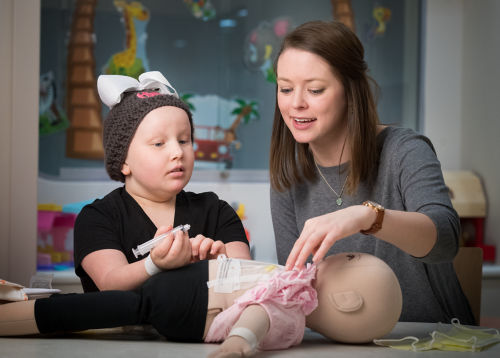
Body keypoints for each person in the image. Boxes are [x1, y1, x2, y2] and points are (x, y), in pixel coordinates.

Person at [269, 20, 475, 324]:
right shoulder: (290, 176)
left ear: (350, 92)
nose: (296, 103)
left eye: (314, 89)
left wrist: (369, 217)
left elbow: (445, 239)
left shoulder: (404, 150)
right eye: (285, 89)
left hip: (431, 338)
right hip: (341, 341)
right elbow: (297, 284)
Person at [0, 252, 402, 357]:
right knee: (107, 312)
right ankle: (18, 302)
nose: (346, 253)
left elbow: (257, 316)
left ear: (348, 302)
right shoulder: (296, 283)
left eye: (352, 259)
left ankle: (14, 316)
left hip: (185, 302)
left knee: (100, 309)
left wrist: (240, 342)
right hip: (185, 291)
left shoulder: (293, 307)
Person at [74, 71, 251, 292]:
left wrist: (220, 264)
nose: (177, 152)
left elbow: (250, 280)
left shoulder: (216, 211)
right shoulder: (98, 218)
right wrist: (154, 264)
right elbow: (110, 281)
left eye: (184, 140)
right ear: (123, 162)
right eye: (159, 143)